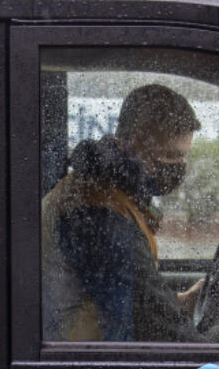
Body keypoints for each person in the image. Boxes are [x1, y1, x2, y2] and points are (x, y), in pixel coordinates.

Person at [41, 84, 206, 342]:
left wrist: (180, 302)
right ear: (137, 141)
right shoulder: (99, 214)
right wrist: (215, 356)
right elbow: (151, 324)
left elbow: (130, 295)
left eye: (184, 158)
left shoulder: (107, 188)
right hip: (82, 361)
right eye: (171, 156)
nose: (179, 168)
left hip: (94, 345)